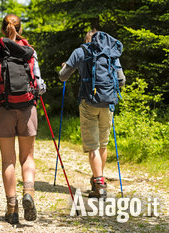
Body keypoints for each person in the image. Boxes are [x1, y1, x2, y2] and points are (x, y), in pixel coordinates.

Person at [0, 14, 46, 224]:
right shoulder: (30, 51)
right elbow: (40, 86)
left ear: (2, 29)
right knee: (27, 157)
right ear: (20, 29)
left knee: (8, 160)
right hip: (27, 108)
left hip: (4, 108)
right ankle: (29, 193)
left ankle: (12, 208)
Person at [59, 29, 126, 198]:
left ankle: (99, 184)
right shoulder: (111, 52)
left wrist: (65, 67)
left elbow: (63, 77)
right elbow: (122, 80)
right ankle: (98, 178)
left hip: (88, 101)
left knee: (93, 146)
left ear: (87, 39)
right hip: (108, 102)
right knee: (102, 143)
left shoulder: (81, 51)